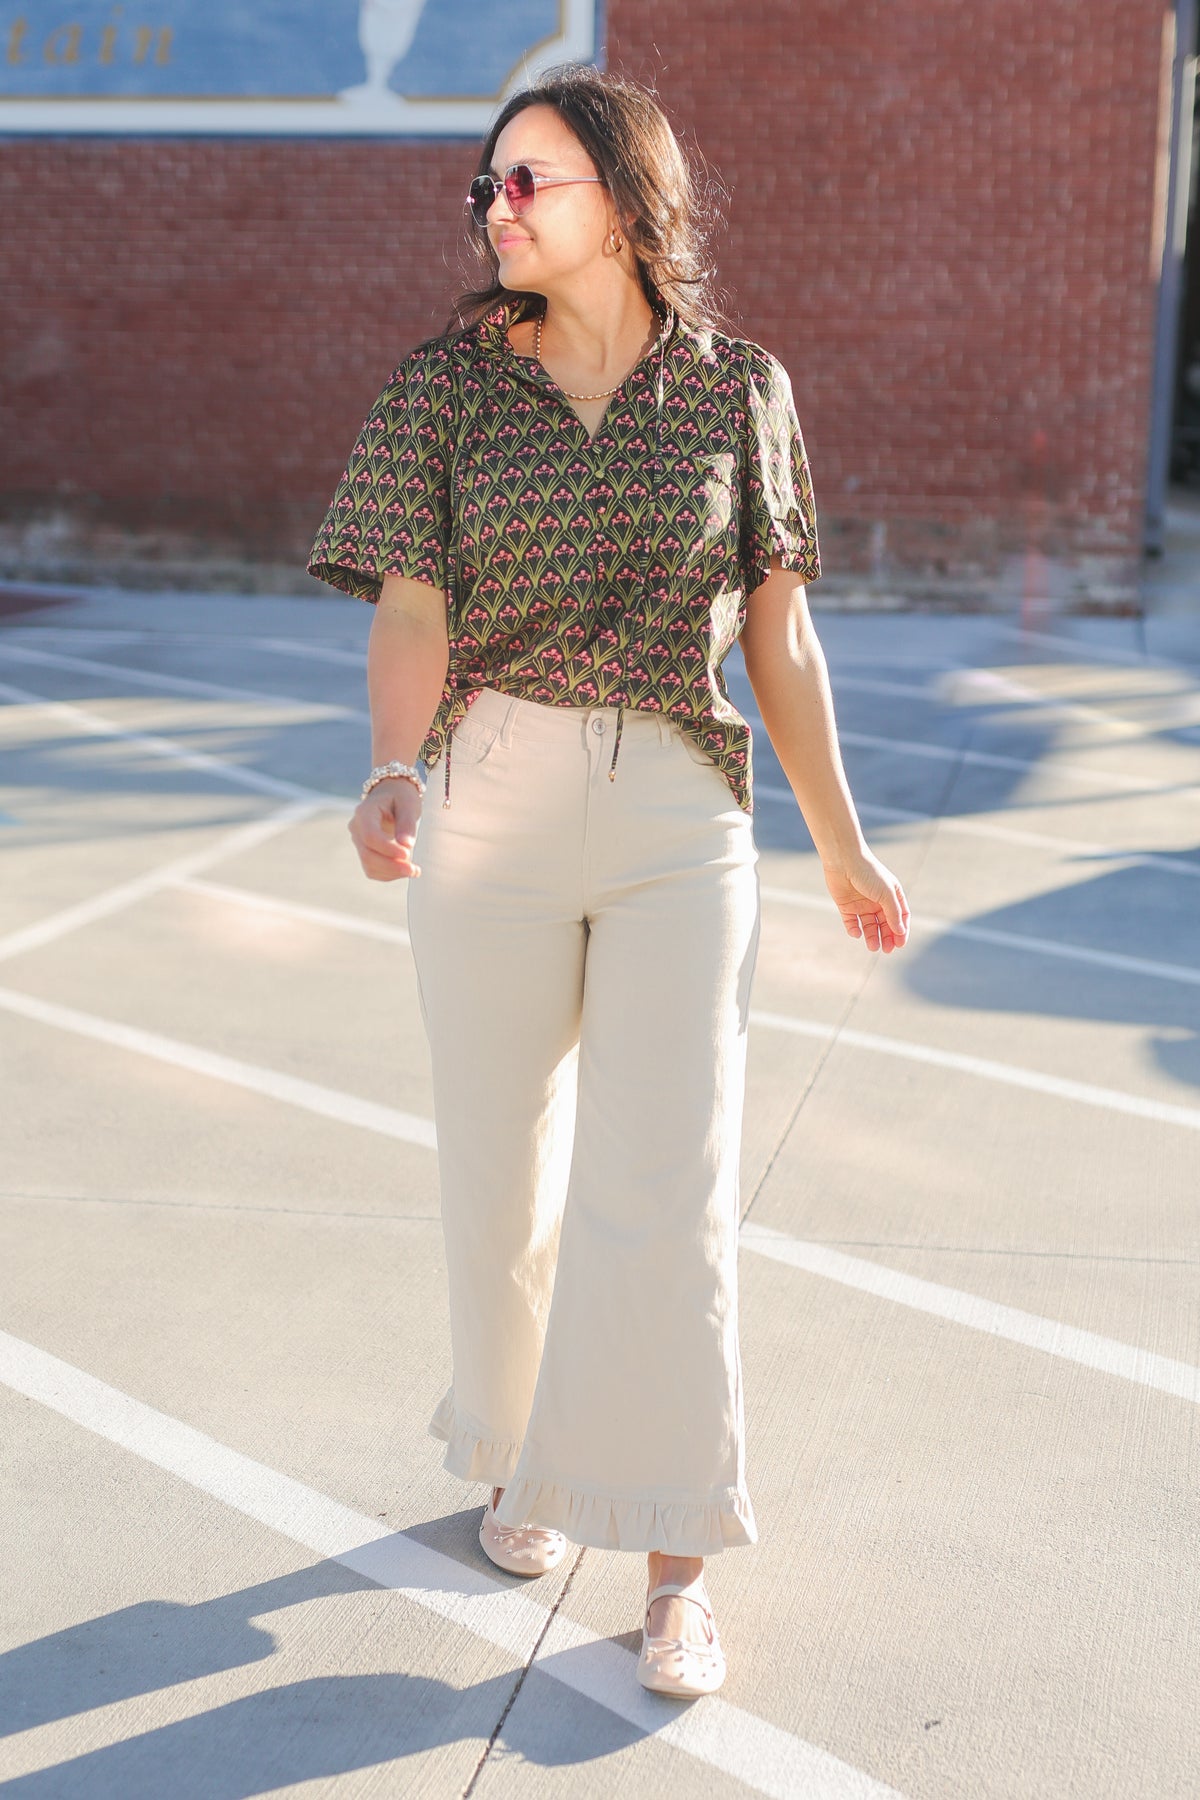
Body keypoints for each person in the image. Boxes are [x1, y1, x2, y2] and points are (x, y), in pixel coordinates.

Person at [308, 63, 910, 1700]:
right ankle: (515, 1453)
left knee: (667, 1184)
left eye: (529, 181)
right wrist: (390, 764)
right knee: (500, 1171)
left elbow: (778, 630)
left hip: (676, 809)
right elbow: (413, 604)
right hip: (489, 790)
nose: (496, 207)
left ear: (626, 204)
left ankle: (672, 1560)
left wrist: (841, 838)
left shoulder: (739, 388)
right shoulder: (444, 385)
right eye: (486, 184)